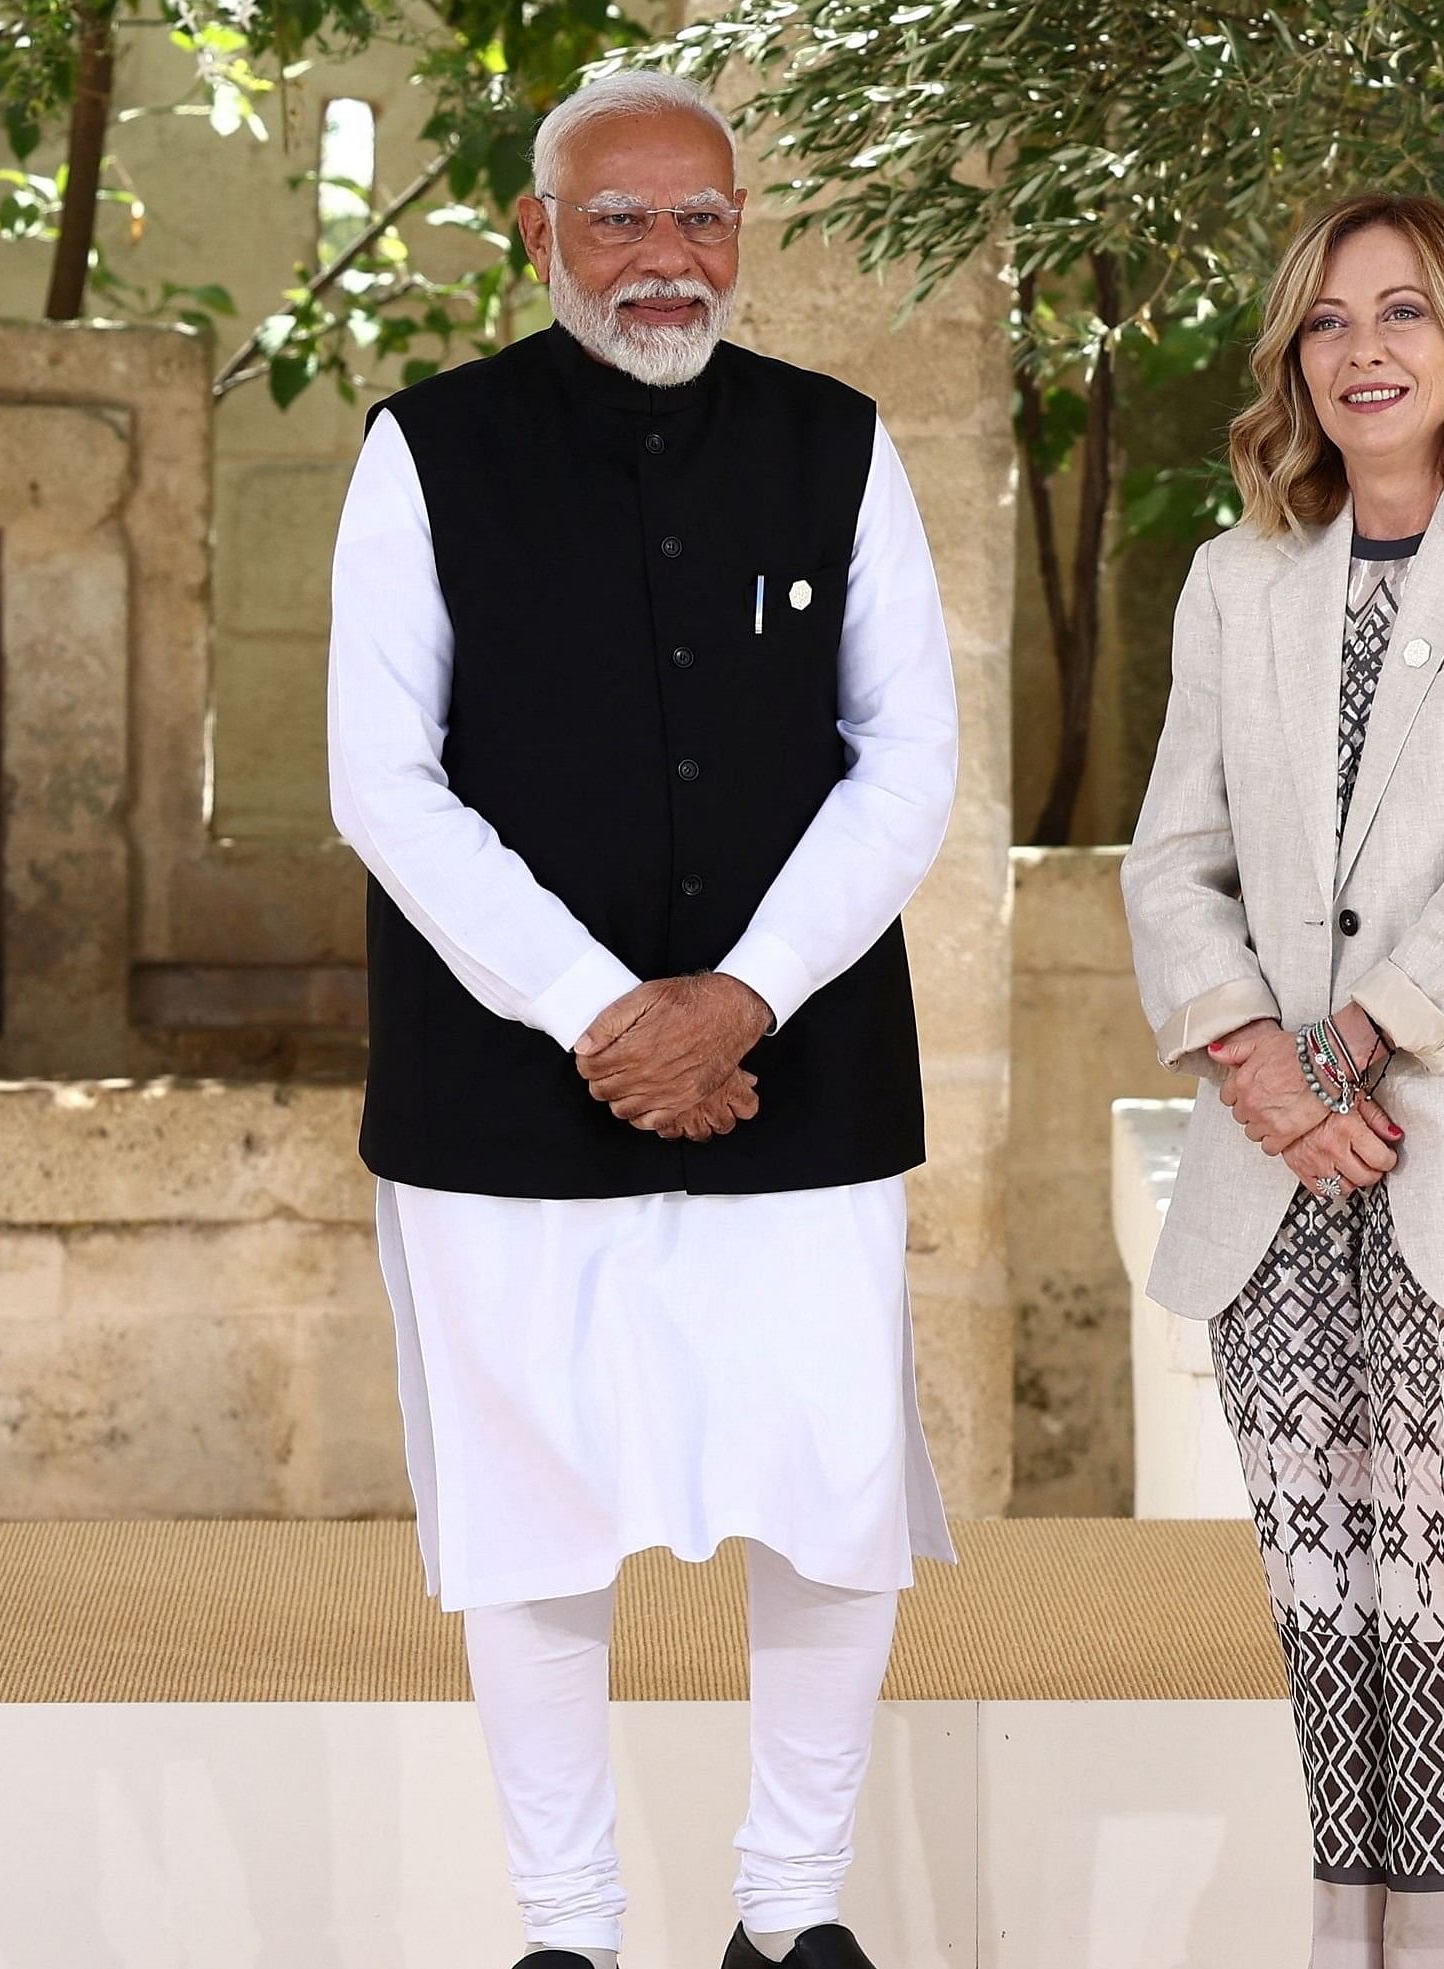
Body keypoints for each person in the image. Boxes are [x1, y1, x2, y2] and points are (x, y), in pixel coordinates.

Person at [324, 69, 957, 1969]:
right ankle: (570, 1930)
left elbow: (910, 758)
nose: (664, 257)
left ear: (740, 233)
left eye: (700, 218)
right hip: (509, 1090)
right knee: (531, 1523)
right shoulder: (421, 449)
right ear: (541, 238)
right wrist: (609, 1014)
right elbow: (383, 780)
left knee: (832, 1494)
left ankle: (793, 1913)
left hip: (803, 1063)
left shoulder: (840, 444)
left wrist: (743, 995)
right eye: (618, 219)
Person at [1120, 190, 1444, 1969]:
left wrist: (1348, 1046)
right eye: (1332, 320)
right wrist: (1263, 1072)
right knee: (1337, 1622)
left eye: (1406, 313)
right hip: (1283, 1197)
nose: (1365, 349)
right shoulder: (1235, 579)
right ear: (1295, 356)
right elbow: (1169, 860)